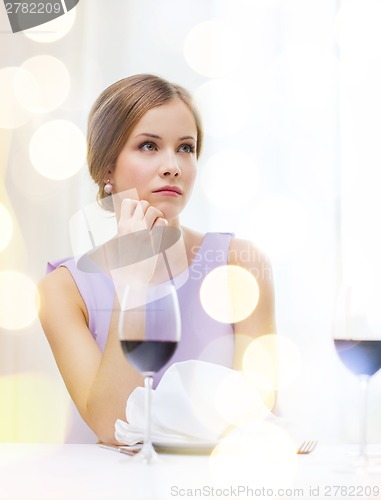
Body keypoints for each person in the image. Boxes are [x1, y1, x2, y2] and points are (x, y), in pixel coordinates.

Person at [38, 74, 276, 445]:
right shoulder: (63, 291)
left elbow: (257, 413)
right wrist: (134, 283)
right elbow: (112, 426)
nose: (173, 166)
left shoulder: (240, 264)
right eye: (149, 146)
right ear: (106, 169)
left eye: (185, 148)